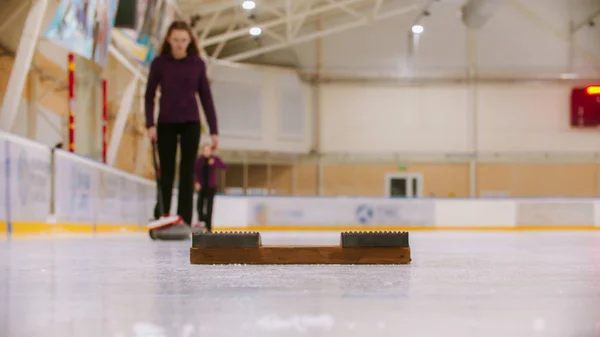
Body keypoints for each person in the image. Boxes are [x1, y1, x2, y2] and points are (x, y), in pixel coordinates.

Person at [145, 21, 219, 227]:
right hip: (166, 123)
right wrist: (150, 124)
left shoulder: (197, 64)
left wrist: (214, 130)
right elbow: (149, 96)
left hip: (191, 123)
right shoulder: (159, 64)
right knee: (166, 170)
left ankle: (184, 218)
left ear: (189, 41)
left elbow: (206, 98)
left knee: (187, 172)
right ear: (169, 39)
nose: (179, 44)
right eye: (176, 40)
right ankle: (162, 214)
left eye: (183, 40)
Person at [194, 144, 227, 232]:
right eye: (205, 150)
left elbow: (224, 166)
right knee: (199, 206)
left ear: (211, 151)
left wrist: (214, 163)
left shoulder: (214, 159)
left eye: (208, 150)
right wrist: (196, 182)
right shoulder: (199, 160)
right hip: (201, 186)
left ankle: (208, 227)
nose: (206, 152)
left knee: (209, 207)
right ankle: (202, 222)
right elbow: (195, 172)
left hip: (211, 187)